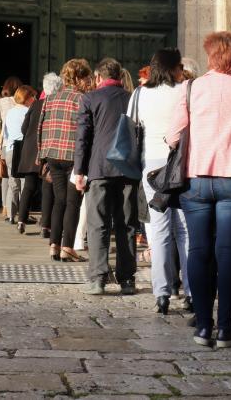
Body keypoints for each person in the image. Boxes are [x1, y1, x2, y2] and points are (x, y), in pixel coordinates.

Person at [167, 31, 231, 349]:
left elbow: (172, 136)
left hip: (196, 177)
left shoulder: (190, 88)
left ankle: (203, 327)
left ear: (210, 56)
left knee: (198, 250)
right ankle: (225, 328)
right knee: (228, 251)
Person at [122, 49, 189, 311]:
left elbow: (130, 125)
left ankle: (161, 293)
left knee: (159, 231)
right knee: (185, 231)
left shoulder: (139, 94)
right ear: (174, 67)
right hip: (181, 164)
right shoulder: (185, 90)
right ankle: (191, 291)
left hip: (150, 165)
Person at [75, 58, 137, 295]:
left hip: (99, 167)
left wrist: (79, 171)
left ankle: (98, 278)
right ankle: (127, 279)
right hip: (128, 170)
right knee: (127, 224)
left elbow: (83, 137)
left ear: (99, 77)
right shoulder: (131, 98)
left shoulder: (90, 98)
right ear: (120, 77)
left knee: (97, 223)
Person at [38, 59, 92, 263]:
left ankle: (54, 245)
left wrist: (41, 157)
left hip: (53, 154)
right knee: (73, 203)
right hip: (73, 156)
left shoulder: (51, 98)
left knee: (59, 200)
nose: (88, 81)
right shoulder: (82, 99)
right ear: (78, 77)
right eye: (86, 77)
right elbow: (86, 131)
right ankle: (67, 247)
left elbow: (40, 128)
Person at [18, 73, 61, 236]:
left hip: (30, 151)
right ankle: (45, 226)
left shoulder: (35, 105)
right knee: (47, 188)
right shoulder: (55, 105)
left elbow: (24, 129)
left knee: (28, 187)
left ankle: (21, 220)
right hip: (47, 150)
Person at [3, 85, 37, 230]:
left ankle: (11, 215)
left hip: (10, 148)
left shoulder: (10, 112)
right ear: (27, 97)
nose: (35, 99)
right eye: (33, 97)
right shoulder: (29, 111)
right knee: (25, 183)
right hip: (24, 148)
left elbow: (5, 133)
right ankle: (23, 215)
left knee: (13, 182)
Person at [0, 76, 22, 220]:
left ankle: (5, 206)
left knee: (6, 175)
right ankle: (19, 208)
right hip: (21, 142)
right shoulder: (21, 102)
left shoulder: (0, 102)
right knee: (19, 174)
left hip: (5, 141)